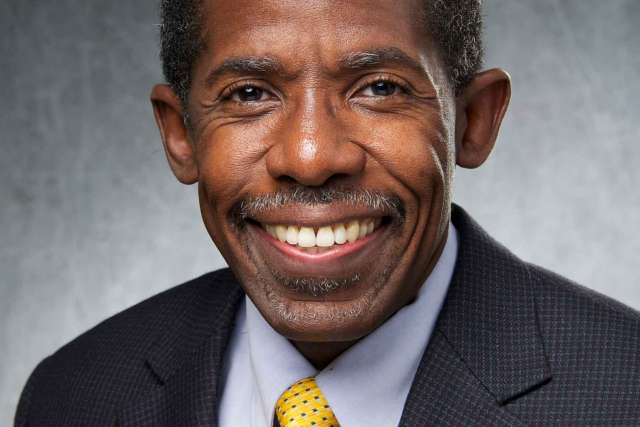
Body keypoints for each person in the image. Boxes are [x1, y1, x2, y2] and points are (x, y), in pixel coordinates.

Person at [15, 0, 640, 425]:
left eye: (380, 88)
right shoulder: (73, 395)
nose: (311, 157)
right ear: (181, 136)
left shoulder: (624, 393)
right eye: (249, 94)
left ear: (473, 120)